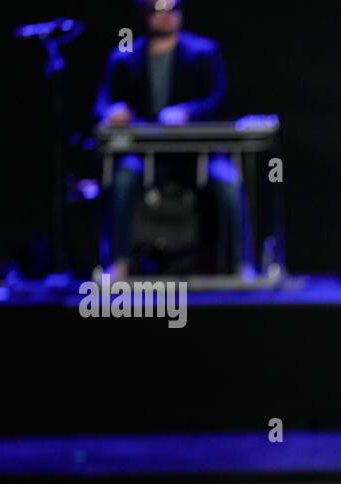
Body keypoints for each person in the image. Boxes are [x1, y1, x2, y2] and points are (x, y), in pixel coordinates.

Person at [94, 0, 251, 278]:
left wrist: (188, 112)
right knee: (123, 178)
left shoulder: (203, 51)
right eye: (157, 9)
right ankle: (119, 262)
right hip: (146, 156)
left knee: (228, 181)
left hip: (198, 153)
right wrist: (113, 112)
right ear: (145, 14)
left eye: (171, 8)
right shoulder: (125, 55)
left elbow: (219, 98)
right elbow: (102, 104)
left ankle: (241, 264)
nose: (165, 16)